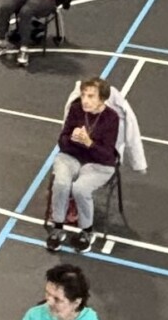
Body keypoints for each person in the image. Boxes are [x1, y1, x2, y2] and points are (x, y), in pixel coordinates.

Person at [46, 78, 119, 250]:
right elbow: (62, 141)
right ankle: (58, 226)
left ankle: (87, 230)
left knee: (80, 188)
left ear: (102, 99)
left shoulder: (111, 118)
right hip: (72, 156)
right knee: (61, 183)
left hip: (99, 163)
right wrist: (71, 139)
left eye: (91, 96)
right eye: (84, 95)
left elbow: (107, 154)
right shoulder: (76, 109)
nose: (85, 100)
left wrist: (89, 143)